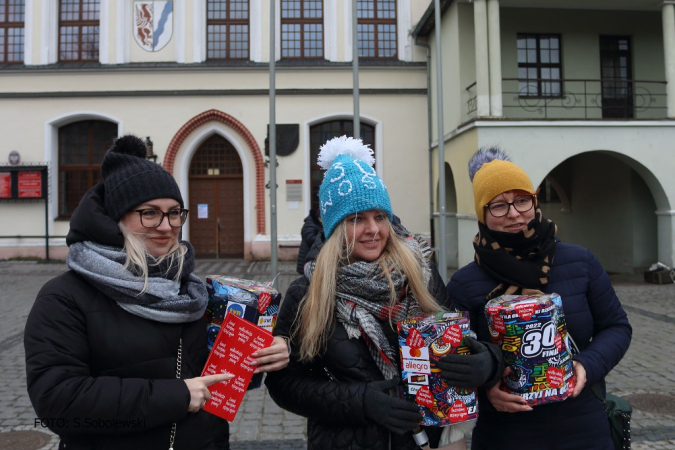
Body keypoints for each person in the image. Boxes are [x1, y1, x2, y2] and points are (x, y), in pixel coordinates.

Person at [24, 135, 289, 450]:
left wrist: (267, 349)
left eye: (175, 212)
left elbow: (212, 376)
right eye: (149, 213)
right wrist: (175, 397)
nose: (166, 225)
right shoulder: (64, 297)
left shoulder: (191, 290)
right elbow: (58, 401)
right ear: (117, 217)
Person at [265, 136, 495, 450]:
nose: (373, 230)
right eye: (357, 219)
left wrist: (485, 363)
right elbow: (284, 384)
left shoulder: (419, 273)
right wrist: (361, 402)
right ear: (334, 228)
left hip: (432, 440)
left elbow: (457, 339)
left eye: (380, 217)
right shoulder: (308, 293)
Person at [446, 147, 632, 450]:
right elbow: (454, 360)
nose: (515, 213)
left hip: (583, 428)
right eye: (499, 206)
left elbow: (617, 327)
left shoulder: (580, 262)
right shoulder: (465, 283)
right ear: (482, 212)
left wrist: (586, 365)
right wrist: (487, 393)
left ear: (534, 200)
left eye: (522, 200)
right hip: (507, 435)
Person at [296, 207, 322, 275]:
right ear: (318, 217)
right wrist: (323, 240)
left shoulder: (317, 223)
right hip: (306, 257)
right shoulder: (309, 224)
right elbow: (310, 238)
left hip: (310, 257)